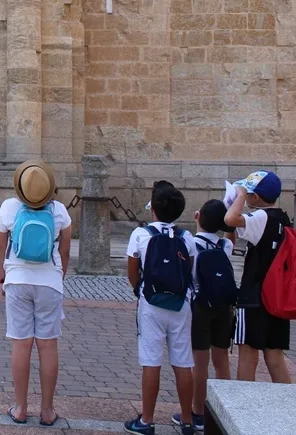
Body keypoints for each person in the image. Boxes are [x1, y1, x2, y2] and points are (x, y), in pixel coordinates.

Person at [0, 160, 71, 427]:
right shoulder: (60, 211)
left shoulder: (9, 207)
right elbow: (65, 252)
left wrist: (2, 278)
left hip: (17, 280)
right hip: (49, 282)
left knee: (20, 343)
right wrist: (58, 277)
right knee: (48, 345)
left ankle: (20, 408)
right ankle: (47, 410)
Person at [124, 181, 197, 435]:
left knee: (151, 362)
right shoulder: (187, 237)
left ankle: (147, 420)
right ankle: (187, 420)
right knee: (183, 361)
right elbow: (191, 271)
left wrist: (138, 289)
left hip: (151, 303)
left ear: (153, 208)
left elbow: (132, 270)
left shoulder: (141, 235)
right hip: (180, 304)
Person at [172, 199, 236, 431]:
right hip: (224, 306)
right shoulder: (225, 246)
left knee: (200, 363)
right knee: (222, 361)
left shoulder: (190, 243)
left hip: (200, 306)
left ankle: (197, 412)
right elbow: (230, 236)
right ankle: (223, 411)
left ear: (197, 216)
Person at [223, 170, 292, 384]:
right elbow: (233, 234)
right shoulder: (282, 217)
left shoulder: (260, 217)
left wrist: (239, 195)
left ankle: (243, 409)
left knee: (248, 354)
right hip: (276, 295)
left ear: (256, 196)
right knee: (275, 356)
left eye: (249, 193)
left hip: (254, 296)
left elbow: (230, 219)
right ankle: (290, 404)